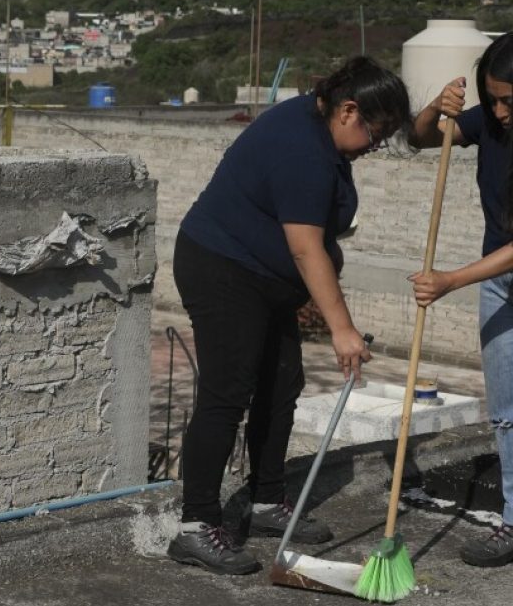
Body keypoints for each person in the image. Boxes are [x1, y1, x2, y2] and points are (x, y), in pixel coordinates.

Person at [168, 56, 411, 574]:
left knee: (281, 385)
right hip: (224, 269)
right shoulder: (302, 150)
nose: (375, 144)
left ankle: (264, 501)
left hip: (266, 280)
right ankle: (195, 526)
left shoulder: (317, 121)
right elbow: (305, 249)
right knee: (227, 392)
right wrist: (342, 329)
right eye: (376, 131)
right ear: (349, 110)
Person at [408, 32, 513, 567]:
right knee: (507, 411)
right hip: (500, 283)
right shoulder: (491, 124)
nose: (498, 111)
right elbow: (426, 137)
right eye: (491, 98)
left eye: (509, 100)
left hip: (495, 270)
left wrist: (451, 280)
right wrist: (435, 107)